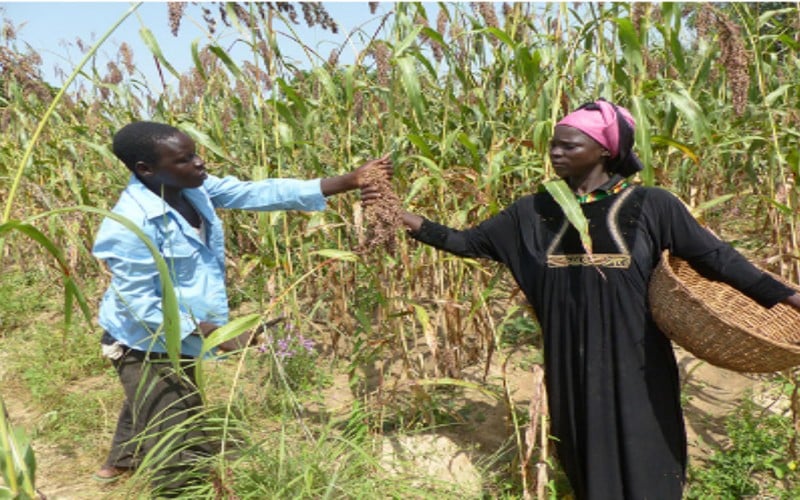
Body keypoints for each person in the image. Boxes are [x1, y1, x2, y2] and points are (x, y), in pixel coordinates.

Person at [397, 99, 800, 499]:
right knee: (583, 453)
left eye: (570, 145)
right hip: (570, 360)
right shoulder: (533, 211)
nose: (556, 151)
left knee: (648, 454)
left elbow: (718, 259)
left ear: (605, 150)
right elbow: (467, 242)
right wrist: (400, 216)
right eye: (554, 143)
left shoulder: (651, 205)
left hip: (637, 362)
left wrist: (788, 296)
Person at [91, 121, 391, 494]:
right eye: (185, 159)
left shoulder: (190, 189)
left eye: (195, 153)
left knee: (156, 397)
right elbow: (138, 305)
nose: (200, 163)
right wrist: (220, 334)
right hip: (145, 339)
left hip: (185, 326)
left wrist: (349, 180)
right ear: (146, 170)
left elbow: (257, 192)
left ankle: (119, 463)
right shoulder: (128, 226)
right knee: (178, 429)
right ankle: (180, 489)